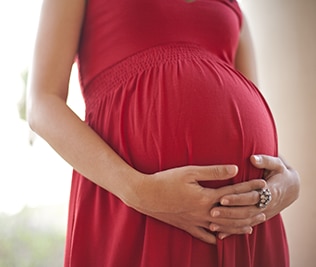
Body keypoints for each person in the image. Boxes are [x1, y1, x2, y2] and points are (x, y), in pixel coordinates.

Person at [27, 0, 300, 266]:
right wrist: (139, 191)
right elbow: (43, 102)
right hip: (135, 206)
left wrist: (286, 179)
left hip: (244, 222)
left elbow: (248, 105)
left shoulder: (232, 5)